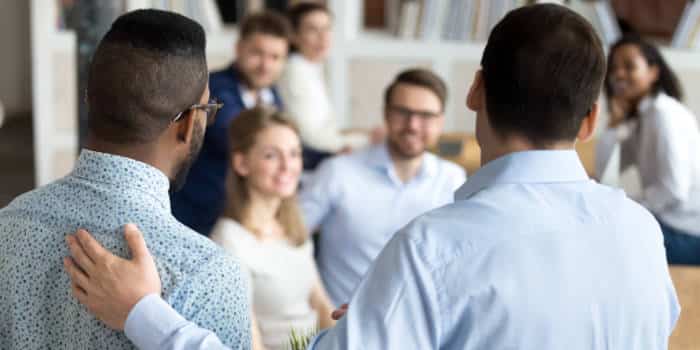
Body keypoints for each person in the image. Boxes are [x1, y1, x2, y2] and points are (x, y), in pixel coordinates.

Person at [64, 4, 680, 350]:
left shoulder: (436, 249)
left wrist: (144, 311)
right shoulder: (642, 236)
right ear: (592, 118)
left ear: (473, 91)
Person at [1, 9, 249, 349]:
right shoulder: (207, 274)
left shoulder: (9, 224)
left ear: (90, 101)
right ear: (189, 123)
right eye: (210, 109)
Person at [299, 68, 466, 306]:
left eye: (426, 116)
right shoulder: (338, 172)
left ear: (440, 122)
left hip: (422, 330)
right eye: (403, 112)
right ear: (386, 114)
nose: (413, 125)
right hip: (343, 328)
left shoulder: (453, 180)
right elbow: (287, 239)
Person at [209, 107, 335, 350]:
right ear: (242, 163)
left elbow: (320, 304)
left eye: (294, 154)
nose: (288, 166)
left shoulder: (293, 227)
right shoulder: (229, 240)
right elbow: (250, 337)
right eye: (271, 155)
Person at [172, 11, 291, 236]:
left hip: (242, 217)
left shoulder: (272, 95)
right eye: (257, 53)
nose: (266, 65)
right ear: (238, 48)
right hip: (199, 217)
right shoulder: (214, 89)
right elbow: (240, 137)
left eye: (275, 57)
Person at [596, 35, 700, 265]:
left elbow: (674, 190)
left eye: (629, 66)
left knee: (603, 239)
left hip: (688, 233)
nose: (618, 74)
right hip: (671, 223)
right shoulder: (643, 118)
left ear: (653, 72)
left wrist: (633, 207)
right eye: (614, 68)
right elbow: (605, 175)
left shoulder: (665, 115)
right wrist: (614, 121)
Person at [278, 2, 383, 169]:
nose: (323, 37)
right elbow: (310, 137)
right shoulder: (295, 71)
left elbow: (327, 129)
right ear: (294, 36)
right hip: (310, 162)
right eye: (313, 30)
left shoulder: (311, 66)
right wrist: (367, 140)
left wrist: (366, 135)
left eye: (327, 28)